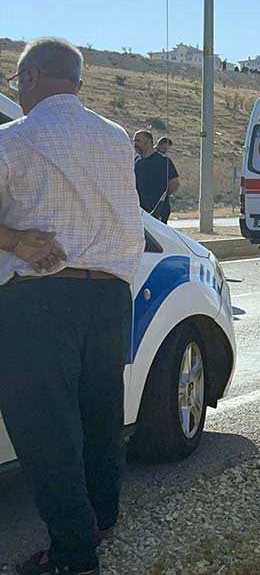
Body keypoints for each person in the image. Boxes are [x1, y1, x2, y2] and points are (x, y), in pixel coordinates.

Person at [0, 37, 143, 575]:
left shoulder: (12, 139)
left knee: (46, 427)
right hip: (108, 294)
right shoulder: (115, 139)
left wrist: (14, 241)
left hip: (40, 296)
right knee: (100, 414)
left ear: (31, 77)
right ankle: (100, 521)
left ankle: (74, 556)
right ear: (77, 82)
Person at [132, 130, 178, 223]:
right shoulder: (136, 161)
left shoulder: (163, 161)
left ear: (148, 141)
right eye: (134, 141)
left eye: (138, 141)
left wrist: (165, 196)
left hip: (158, 209)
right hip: (139, 209)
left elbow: (174, 183)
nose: (135, 144)